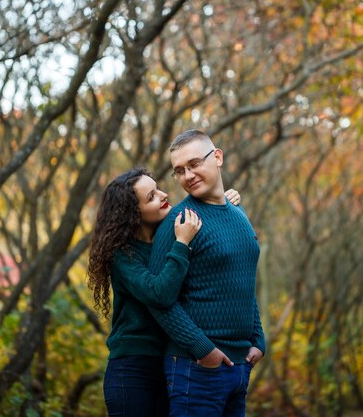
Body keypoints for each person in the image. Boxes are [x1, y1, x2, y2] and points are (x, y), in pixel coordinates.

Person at [87, 167, 241, 417]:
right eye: (151, 197)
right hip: (132, 369)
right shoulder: (123, 255)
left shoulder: (169, 232)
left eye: (157, 188)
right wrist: (181, 244)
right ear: (132, 214)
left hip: (172, 364)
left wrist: (225, 201)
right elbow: (160, 294)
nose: (163, 195)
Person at [148, 129, 266, 417]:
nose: (187, 176)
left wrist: (258, 338)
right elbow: (157, 299)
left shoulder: (239, 214)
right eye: (179, 171)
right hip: (196, 368)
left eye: (194, 164)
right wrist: (202, 349)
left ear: (217, 157)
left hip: (239, 367)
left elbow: (241, 281)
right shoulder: (179, 222)